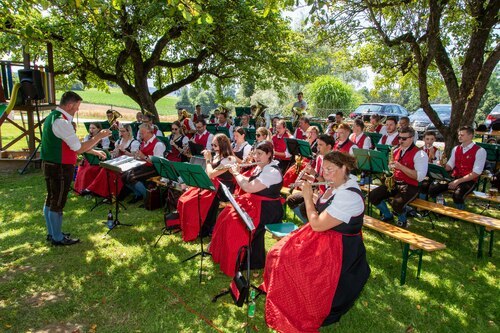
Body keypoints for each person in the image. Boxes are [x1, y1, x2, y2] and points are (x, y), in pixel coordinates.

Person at [262, 151, 370, 332]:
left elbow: (318, 224)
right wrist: (312, 194)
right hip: (325, 239)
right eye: (324, 169)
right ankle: (286, 293)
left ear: (344, 168)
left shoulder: (349, 195)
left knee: (291, 261)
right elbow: (323, 208)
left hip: (340, 250)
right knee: (277, 252)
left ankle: (301, 302)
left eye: (330, 169)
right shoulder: (335, 185)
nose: (325, 174)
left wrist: (306, 196)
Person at [41, 91, 110, 245]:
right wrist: (98, 137)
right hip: (59, 167)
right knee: (57, 202)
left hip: (50, 164)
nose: (78, 110)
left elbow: (70, 144)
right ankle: (57, 237)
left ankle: (53, 233)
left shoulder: (53, 117)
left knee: (51, 199)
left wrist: (93, 151)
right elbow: (77, 148)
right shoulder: (62, 122)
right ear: (70, 105)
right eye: (77, 106)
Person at [210, 141, 284, 276]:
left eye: (260, 154)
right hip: (255, 203)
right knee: (225, 215)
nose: (256, 157)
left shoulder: (272, 171)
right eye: (255, 153)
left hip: (267, 209)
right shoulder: (261, 167)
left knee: (236, 224)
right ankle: (227, 254)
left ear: (269, 154)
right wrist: (238, 172)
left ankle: (243, 259)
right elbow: (249, 183)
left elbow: (249, 187)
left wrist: (235, 173)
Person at [177, 134, 236, 241]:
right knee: (184, 199)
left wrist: (208, 160)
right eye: (212, 145)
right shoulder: (217, 155)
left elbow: (211, 174)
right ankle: (189, 225)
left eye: (215, 145)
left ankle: (202, 227)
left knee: (192, 202)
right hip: (211, 184)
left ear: (222, 145)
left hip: (222, 189)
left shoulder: (230, 159)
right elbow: (206, 173)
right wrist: (194, 182)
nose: (212, 147)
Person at [369, 127, 428, 227]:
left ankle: (403, 220)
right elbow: (391, 168)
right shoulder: (396, 151)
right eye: (399, 138)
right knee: (373, 196)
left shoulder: (420, 154)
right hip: (395, 183)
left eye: (404, 139)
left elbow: (420, 177)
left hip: (411, 186)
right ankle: (388, 215)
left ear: (411, 138)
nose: (400, 141)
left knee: (396, 203)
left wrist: (400, 167)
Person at [428, 126, 487, 210]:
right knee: (433, 189)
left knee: (457, 195)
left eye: (462, 135)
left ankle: (461, 214)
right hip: (454, 177)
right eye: (459, 135)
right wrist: (441, 166)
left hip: (469, 180)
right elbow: (450, 166)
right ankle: (442, 209)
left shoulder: (480, 151)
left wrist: (457, 181)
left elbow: (476, 172)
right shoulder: (456, 148)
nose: (459, 136)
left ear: (470, 136)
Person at [86, 124, 140, 199]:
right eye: (120, 131)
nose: (121, 133)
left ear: (128, 132)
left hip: (128, 164)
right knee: (105, 169)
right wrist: (113, 152)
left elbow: (134, 157)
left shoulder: (134, 142)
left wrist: (124, 151)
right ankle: (100, 191)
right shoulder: (118, 141)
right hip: (118, 162)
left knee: (111, 172)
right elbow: (115, 154)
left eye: (123, 131)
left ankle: (110, 193)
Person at [122, 123, 166, 204]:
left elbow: (157, 163)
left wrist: (143, 157)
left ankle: (148, 197)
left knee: (131, 177)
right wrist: (137, 156)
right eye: (140, 133)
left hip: (153, 168)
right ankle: (138, 194)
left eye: (142, 133)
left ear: (149, 132)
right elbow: (141, 156)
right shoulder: (144, 142)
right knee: (124, 175)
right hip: (143, 165)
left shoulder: (158, 144)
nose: (140, 135)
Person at [74, 122, 111, 194]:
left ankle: (91, 189)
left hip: (99, 160)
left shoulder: (104, 138)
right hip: (89, 159)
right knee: (81, 169)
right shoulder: (87, 137)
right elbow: (83, 149)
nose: (91, 130)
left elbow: (105, 150)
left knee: (88, 170)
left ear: (99, 129)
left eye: (93, 128)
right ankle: (81, 188)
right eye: (90, 128)